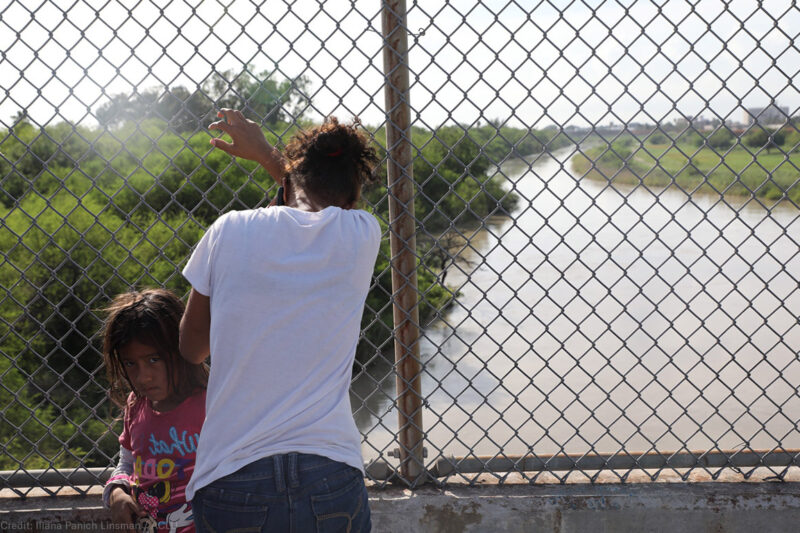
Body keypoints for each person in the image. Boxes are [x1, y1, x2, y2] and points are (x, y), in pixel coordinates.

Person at [179, 109, 380, 532]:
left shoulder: (228, 230)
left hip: (233, 475)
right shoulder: (362, 235)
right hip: (331, 474)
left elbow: (191, 348)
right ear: (351, 201)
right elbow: (310, 206)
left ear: (287, 183)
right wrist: (272, 158)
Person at [102, 289, 208, 532]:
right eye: (131, 363)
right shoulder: (136, 404)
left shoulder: (211, 403)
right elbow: (128, 463)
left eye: (154, 360)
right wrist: (117, 492)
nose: (143, 377)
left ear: (181, 349)